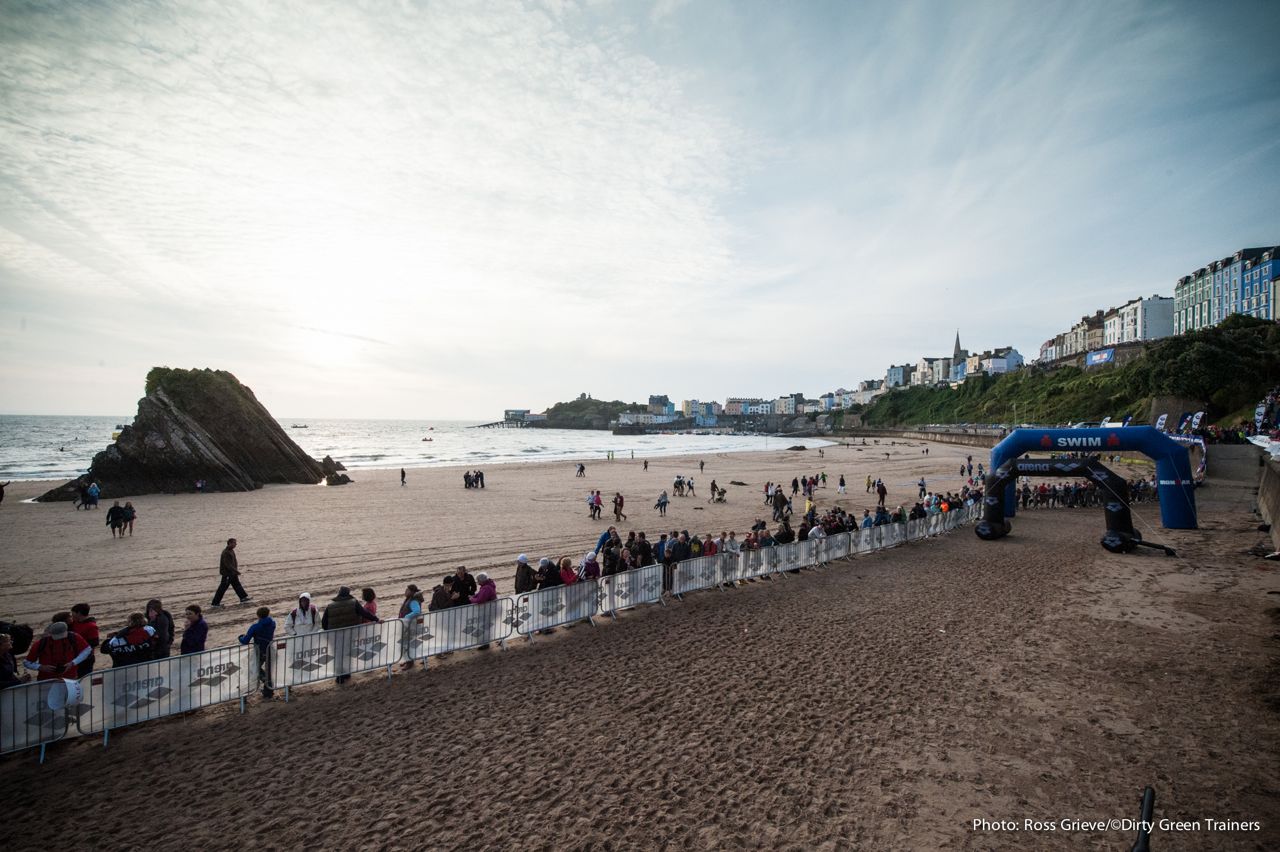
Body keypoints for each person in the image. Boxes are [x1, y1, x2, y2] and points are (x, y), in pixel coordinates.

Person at [321, 587, 378, 684]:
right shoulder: (353, 602)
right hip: (349, 633)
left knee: (338, 655)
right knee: (347, 653)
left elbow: (324, 622)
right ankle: (347, 673)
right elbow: (365, 613)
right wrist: (376, 619)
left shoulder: (330, 605)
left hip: (335, 635)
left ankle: (339, 677)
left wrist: (328, 631)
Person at [24, 621, 91, 681]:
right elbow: (27, 662)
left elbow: (87, 650)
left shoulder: (73, 637)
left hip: (70, 679)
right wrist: (40, 667)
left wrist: (73, 663)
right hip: (46, 680)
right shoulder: (41, 643)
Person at [238, 606, 275, 699]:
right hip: (269, 649)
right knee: (268, 669)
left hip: (259, 651)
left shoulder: (255, 627)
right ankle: (268, 689)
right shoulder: (273, 623)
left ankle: (266, 683)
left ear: (258, 616)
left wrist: (240, 637)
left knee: (255, 669)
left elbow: (245, 641)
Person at [211, 538, 251, 607]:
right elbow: (228, 565)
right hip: (227, 574)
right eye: (234, 543)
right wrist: (236, 571)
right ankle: (215, 603)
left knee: (237, 585)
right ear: (229, 543)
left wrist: (235, 571)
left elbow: (232, 563)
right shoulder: (226, 552)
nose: (236, 544)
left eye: (235, 543)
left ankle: (243, 598)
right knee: (222, 588)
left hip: (232, 573)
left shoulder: (231, 551)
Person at [68, 603, 99, 676]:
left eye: (73, 613)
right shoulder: (74, 623)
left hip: (85, 659)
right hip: (73, 657)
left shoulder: (91, 626)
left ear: (79, 613)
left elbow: (94, 643)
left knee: (84, 680)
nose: (72, 616)